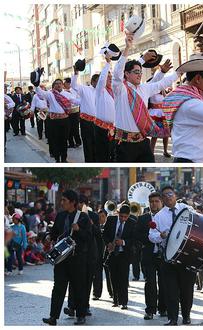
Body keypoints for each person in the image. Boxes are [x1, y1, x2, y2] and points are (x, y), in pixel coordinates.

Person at [112, 32, 178, 162]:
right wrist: (127, 48)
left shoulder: (143, 88)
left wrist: (179, 72)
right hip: (124, 145)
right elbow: (117, 72)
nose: (139, 75)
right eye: (136, 72)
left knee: (149, 174)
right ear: (126, 74)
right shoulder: (120, 89)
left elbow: (160, 84)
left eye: (140, 72)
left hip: (142, 142)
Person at [42, 190, 92, 326]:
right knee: (58, 287)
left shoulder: (83, 217)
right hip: (61, 259)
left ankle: (81, 315)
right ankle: (53, 317)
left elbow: (88, 238)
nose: (61, 202)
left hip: (77, 259)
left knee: (78, 287)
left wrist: (78, 230)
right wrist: (48, 237)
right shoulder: (60, 216)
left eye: (64, 200)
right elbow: (54, 233)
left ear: (73, 202)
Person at [149, 186, 195, 325]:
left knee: (187, 290)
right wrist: (160, 235)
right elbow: (151, 236)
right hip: (168, 258)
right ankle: (172, 318)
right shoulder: (159, 216)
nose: (168, 197)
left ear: (175, 195)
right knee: (171, 291)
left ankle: (186, 316)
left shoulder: (187, 209)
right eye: (165, 196)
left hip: (186, 257)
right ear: (162, 199)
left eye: (170, 194)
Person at [33, 73, 81, 162]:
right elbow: (40, 92)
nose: (58, 85)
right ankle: (57, 158)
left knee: (64, 140)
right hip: (53, 121)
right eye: (56, 84)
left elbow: (76, 101)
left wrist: (90, 101)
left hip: (65, 120)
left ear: (62, 85)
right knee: (55, 140)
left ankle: (63, 158)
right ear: (54, 86)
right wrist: (36, 85)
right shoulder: (50, 94)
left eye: (60, 83)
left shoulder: (67, 94)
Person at [137, 192, 167, 320]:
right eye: (151, 202)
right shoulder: (143, 218)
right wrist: (152, 238)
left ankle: (163, 308)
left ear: (161, 202)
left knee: (164, 282)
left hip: (164, 255)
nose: (154, 204)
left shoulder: (167, 217)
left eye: (156, 201)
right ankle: (150, 310)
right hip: (149, 255)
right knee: (150, 283)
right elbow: (137, 235)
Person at [103, 203, 136, 310]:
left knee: (123, 278)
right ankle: (116, 300)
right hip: (112, 253)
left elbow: (134, 240)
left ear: (129, 215)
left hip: (124, 254)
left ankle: (124, 302)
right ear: (118, 214)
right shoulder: (111, 219)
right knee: (113, 277)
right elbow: (104, 234)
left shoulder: (132, 223)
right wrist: (108, 243)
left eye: (125, 217)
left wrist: (124, 242)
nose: (123, 219)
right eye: (121, 216)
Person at [94, 54, 116, 162]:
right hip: (101, 129)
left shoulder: (114, 92)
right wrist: (108, 64)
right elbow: (102, 79)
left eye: (111, 78)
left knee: (113, 153)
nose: (110, 79)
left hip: (113, 129)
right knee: (103, 155)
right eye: (109, 78)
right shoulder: (100, 91)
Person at [64, 77, 82, 149]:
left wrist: (73, 102)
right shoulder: (63, 92)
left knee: (75, 128)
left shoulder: (75, 90)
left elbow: (78, 99)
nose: (65, 85)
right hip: (67, 112)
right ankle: (71, 143)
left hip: (75, 112)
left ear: (69, 83)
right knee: (68, 128)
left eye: (66, 83)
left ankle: (78, 142)